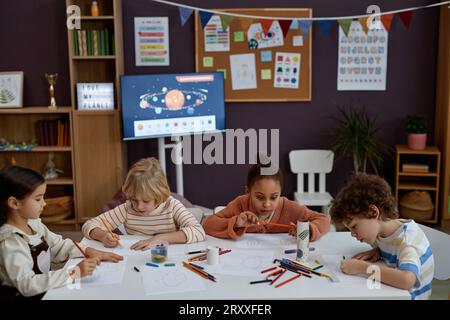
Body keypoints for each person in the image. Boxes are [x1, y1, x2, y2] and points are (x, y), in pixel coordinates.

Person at [0, 166, 123, 299]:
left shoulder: (33, 224)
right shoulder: (11, 242)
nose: (44, 204)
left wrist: (88, 251)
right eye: (38, 199)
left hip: (46, 290)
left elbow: (58, 245)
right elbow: (27, 285)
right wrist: (74, 272)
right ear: (14, 203)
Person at [330, 173, 434, 300]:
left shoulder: (407, 241)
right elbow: (395, 250)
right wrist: (379, 251)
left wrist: (361, 267)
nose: (352, 234)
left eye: (354, 226)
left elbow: (407, 280)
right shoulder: (384, 233)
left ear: (373, 212)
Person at [82, 157, 206, 250]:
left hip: (167, 259)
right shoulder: (127, 208)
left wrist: (158, 239)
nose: (139, 206)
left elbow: (198, 231)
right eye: (134, 199)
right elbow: (89, 225)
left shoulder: (172, 206)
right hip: (135, 260)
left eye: (146, 201)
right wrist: (103, 236)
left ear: (159, 196)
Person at [202, 160, 331, 240]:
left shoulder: (289, 208)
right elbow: (208, 224)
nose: (267, 204)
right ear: (248, 192)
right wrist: (236, 223)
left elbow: (324, 219)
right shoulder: (240, 204)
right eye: (259, 197)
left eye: (274, 197)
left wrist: (308, 230)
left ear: (280, 193)